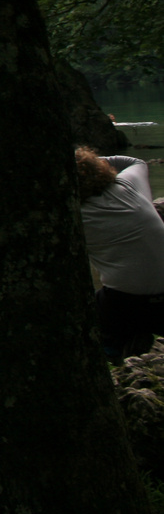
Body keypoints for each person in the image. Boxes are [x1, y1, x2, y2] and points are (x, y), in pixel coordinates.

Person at [75, 146, 164, 360]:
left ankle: (114, 348)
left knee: (87, 309)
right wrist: (88, 163)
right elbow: (135, 161)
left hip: (128, 306)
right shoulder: (128, 186)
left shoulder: (74, 214)